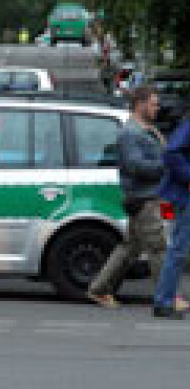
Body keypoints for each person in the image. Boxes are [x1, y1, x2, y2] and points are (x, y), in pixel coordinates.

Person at [87, 86, 189, 313]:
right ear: (140, 104)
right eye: (153, 104)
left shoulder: (146, 129)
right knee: (159, 248)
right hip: (144, 198)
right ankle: (168, 297)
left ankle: (99, 288)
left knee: (130, 247)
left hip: (148, 196)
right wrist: (167, 168)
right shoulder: (131, 134)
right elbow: (135, 166)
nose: (157, 108)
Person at [153, 110, 190, 319]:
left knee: (176, 249)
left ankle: (165, 300)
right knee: (177, 250)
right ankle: (164, 302)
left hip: (180, 196)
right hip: (183, 198)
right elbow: (171, 152)